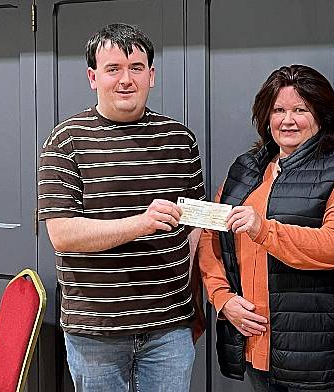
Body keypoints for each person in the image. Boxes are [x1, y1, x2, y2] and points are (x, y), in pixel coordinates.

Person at [37, 23, 205, 392]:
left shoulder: (180, 140)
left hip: (170, 330)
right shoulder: (65, 141)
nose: (126, 79)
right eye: (113, 69)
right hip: (96, 333)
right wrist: (141, 224)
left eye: (136, 68)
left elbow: (195, 227)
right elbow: (62, 234)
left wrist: (186, 291)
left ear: (152, 75)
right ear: (93, 77)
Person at [198, 64, 334, 391]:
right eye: (278, 110)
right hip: (256, 348)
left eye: (300, 110)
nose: (287, 120)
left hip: (322, 359)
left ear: (322, 115)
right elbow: (212, 238)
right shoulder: (245, 169)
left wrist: (263, 230)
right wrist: (222, 298)